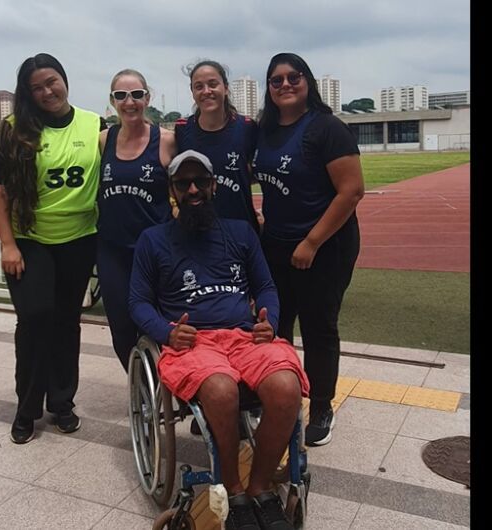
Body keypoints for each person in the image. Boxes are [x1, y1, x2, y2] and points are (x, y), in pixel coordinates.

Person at [129, 150, 309, 530]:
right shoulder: (152, 240)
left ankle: (260, 487)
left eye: (200, 182)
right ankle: (232, 488)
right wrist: (166, 333)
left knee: (286, 386)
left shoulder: (241, 232)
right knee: (222, 390)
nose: (193, 189)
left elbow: (265, 287)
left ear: (213, 186)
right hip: (192, 344)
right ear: (173, 190)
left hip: (244, 337)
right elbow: (138, 302)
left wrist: (270, 321)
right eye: (183, 183)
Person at [0, 53, 103, 443]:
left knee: (66, 322)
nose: (46, 91)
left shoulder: (94, 124)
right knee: (35, 318)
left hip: (79, 239)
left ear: (65, 79)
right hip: (29, 241)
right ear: (27, 93)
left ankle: (62, 402)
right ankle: (27, 408)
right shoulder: (13, 130)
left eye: (51, 81)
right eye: (36, 87)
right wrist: (8, 244)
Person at [253, 53, 364, 446]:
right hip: (277, 244)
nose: (285, 84)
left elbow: (351, 191)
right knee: (275, 326)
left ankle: (320, 406)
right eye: (276, 80)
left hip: (325, 246)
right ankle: (275, 397)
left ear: (307, 81)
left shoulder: (326, 128)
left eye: (293, 77)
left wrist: (311, 242)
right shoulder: (264, 130)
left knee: (318, 327)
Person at [97, 69, 177, 372]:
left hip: (155, 250)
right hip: (112, 249)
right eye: (121, 96)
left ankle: (169, 383)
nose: (129, 102)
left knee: (158, 322)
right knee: (121, 325)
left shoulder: (167, 141)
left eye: (136, 95)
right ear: (113, 101)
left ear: (148, 97)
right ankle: (141, 386)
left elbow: (190, 185)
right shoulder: (105, 140)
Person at [175, 60, 259, 232]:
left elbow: (259, 173)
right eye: (199, 86)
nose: (206, 91)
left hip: (241, 231)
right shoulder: (182, 129)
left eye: (213, 84)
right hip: (196, 233)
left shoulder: (247, 127)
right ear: (192, 92)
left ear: (226, 88)